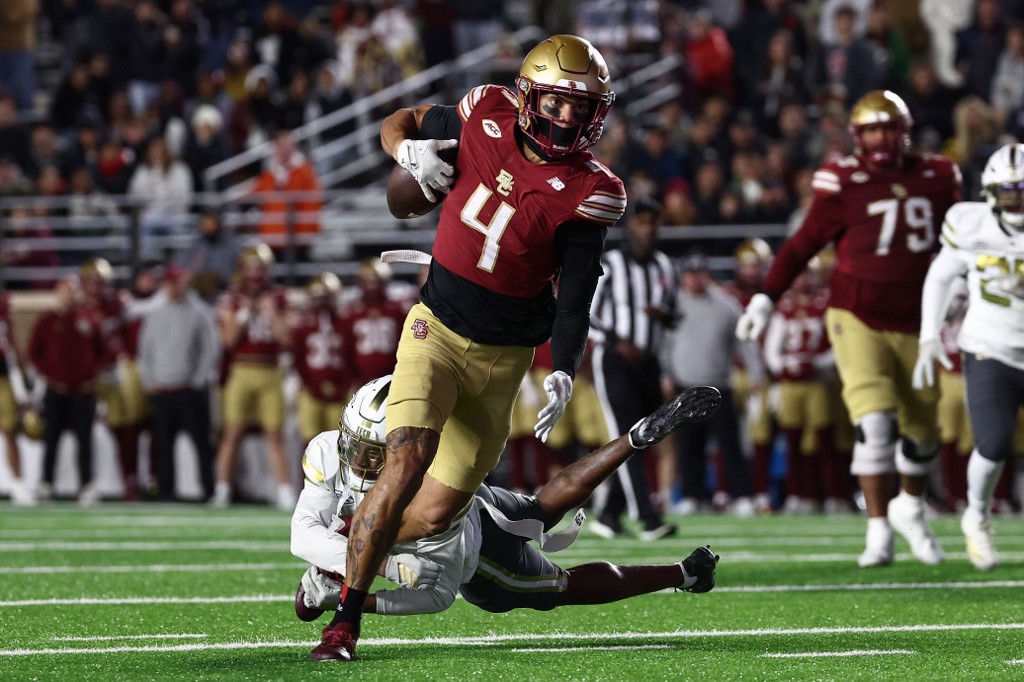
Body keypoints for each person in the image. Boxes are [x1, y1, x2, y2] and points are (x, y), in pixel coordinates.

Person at [312, 34, 627, 661]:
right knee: (407, 458)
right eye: (557, 102)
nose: (568, 117)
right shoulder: (485, 111)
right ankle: (343, 622)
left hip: (502, 362)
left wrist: (564, 368)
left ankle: (335, 556)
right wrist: (406, 151)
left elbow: (574, 299)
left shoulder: (591, 188)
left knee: (433, 515)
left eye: (581, 107)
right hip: (435, 329)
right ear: (529, 95)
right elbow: (399, 120)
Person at [292, 376, 721, 629]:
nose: (357, 461)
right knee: (539, 509)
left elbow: (438, 593)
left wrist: (347, 594)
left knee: (563, 586)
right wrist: (373, 570)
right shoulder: (328, 451)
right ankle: (635, 437)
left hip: (478, 558)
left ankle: (685, 573)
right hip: (476, 501)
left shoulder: (422, 489)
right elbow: (303, 534)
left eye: (374, 454)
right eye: (354, 445)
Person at [736, 90, 962, 567]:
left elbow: (959, 242)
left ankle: (910, 508)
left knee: (923, 432)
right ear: (858, 136)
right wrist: (766, 297)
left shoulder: (939, 175)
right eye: (871, 130)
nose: (880, 138)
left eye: (888, 128)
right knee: (874, 423)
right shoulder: (844, 179)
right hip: (856, 315)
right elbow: (803, 243)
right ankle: (878, 529)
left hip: (920, 319)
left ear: (904, 131)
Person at [914, 143, 1024, 570]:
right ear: (992, 193)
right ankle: (976, 516)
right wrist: (929, 335)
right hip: (989, 347)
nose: (1017, 201)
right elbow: (940, 275)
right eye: (1009, 191)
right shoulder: (971, 223)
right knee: (993, 443)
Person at [587, 197, 679, 539]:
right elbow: (586, 312)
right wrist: (616, 341)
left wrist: (664, 316)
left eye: (653, 221)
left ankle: (609, 514)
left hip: (649, 363)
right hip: (614, 362)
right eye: (642, 221)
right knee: (629, 436)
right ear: (630, 226)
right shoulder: (611, 265)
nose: (648, 228)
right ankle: (648, 518)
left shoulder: (665, 266)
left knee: (647, 437)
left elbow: (675, 315)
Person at [661, 252, 759, 516]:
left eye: (700, 273)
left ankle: (742, 495)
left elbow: (745, 339)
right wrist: (665, 373)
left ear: (708, 275)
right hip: (685, 385)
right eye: (690, 274)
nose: (695, 279)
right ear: (683, 277)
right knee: (688, 445)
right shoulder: (673, 303)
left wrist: (755, 373)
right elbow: (663, 342)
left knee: (730, 445)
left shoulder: (725, 304)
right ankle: (693, 494)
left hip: (719, 384)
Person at [212, 243, 294, 509]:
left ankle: (284, 492)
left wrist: (270, 313)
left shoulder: (279, 297)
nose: (256, 273)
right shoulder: (232, 298)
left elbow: (287, 339)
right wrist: (245, 311)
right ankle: (222, 490)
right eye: (252, 267)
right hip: (241, 370)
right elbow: (228, 340)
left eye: (260, 267)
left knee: (275, 434)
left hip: (270, 370)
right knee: (232, 432)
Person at [137, 265, 220, 502]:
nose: (174, 287)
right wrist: (149, 380)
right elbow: (145, 350)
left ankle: (208, 490)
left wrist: (199, 379)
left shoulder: (198, 312)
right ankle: (166, 491)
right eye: (169, 283)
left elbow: (209, 348)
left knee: (201, 443)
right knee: (163, 445)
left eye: (177, 282)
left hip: (190, 390)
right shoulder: (154, 314)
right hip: (162, 389)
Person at [28, 276, 105, 503]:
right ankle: (47, 483)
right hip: (56, 391)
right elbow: (34, 352)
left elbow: (103, 352)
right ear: (57, 292)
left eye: (73, 290)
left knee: (85, 440)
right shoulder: (47, 320)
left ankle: (86, 485)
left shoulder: (89, 318)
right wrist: (49, 375)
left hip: (83, 391)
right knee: (51, 439)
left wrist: (92, 375)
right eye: (65, 290)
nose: (69, 294)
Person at [292, 272, 354, 445]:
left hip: (339, 390)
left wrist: (342, 385)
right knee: (310, 441)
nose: (321, 302)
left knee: (340, 441)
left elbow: (350, 358)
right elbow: (298, 359)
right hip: (310, 389)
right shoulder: (303, 325)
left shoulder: (344, 323)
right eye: (317, 297)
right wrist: (312, 385)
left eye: (325, 297)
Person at [0, 290, 34, 504]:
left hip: (1, 373)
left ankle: (18, 483)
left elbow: (13, 339)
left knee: (9, 429)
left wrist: (24, 374)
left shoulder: (3, 303)